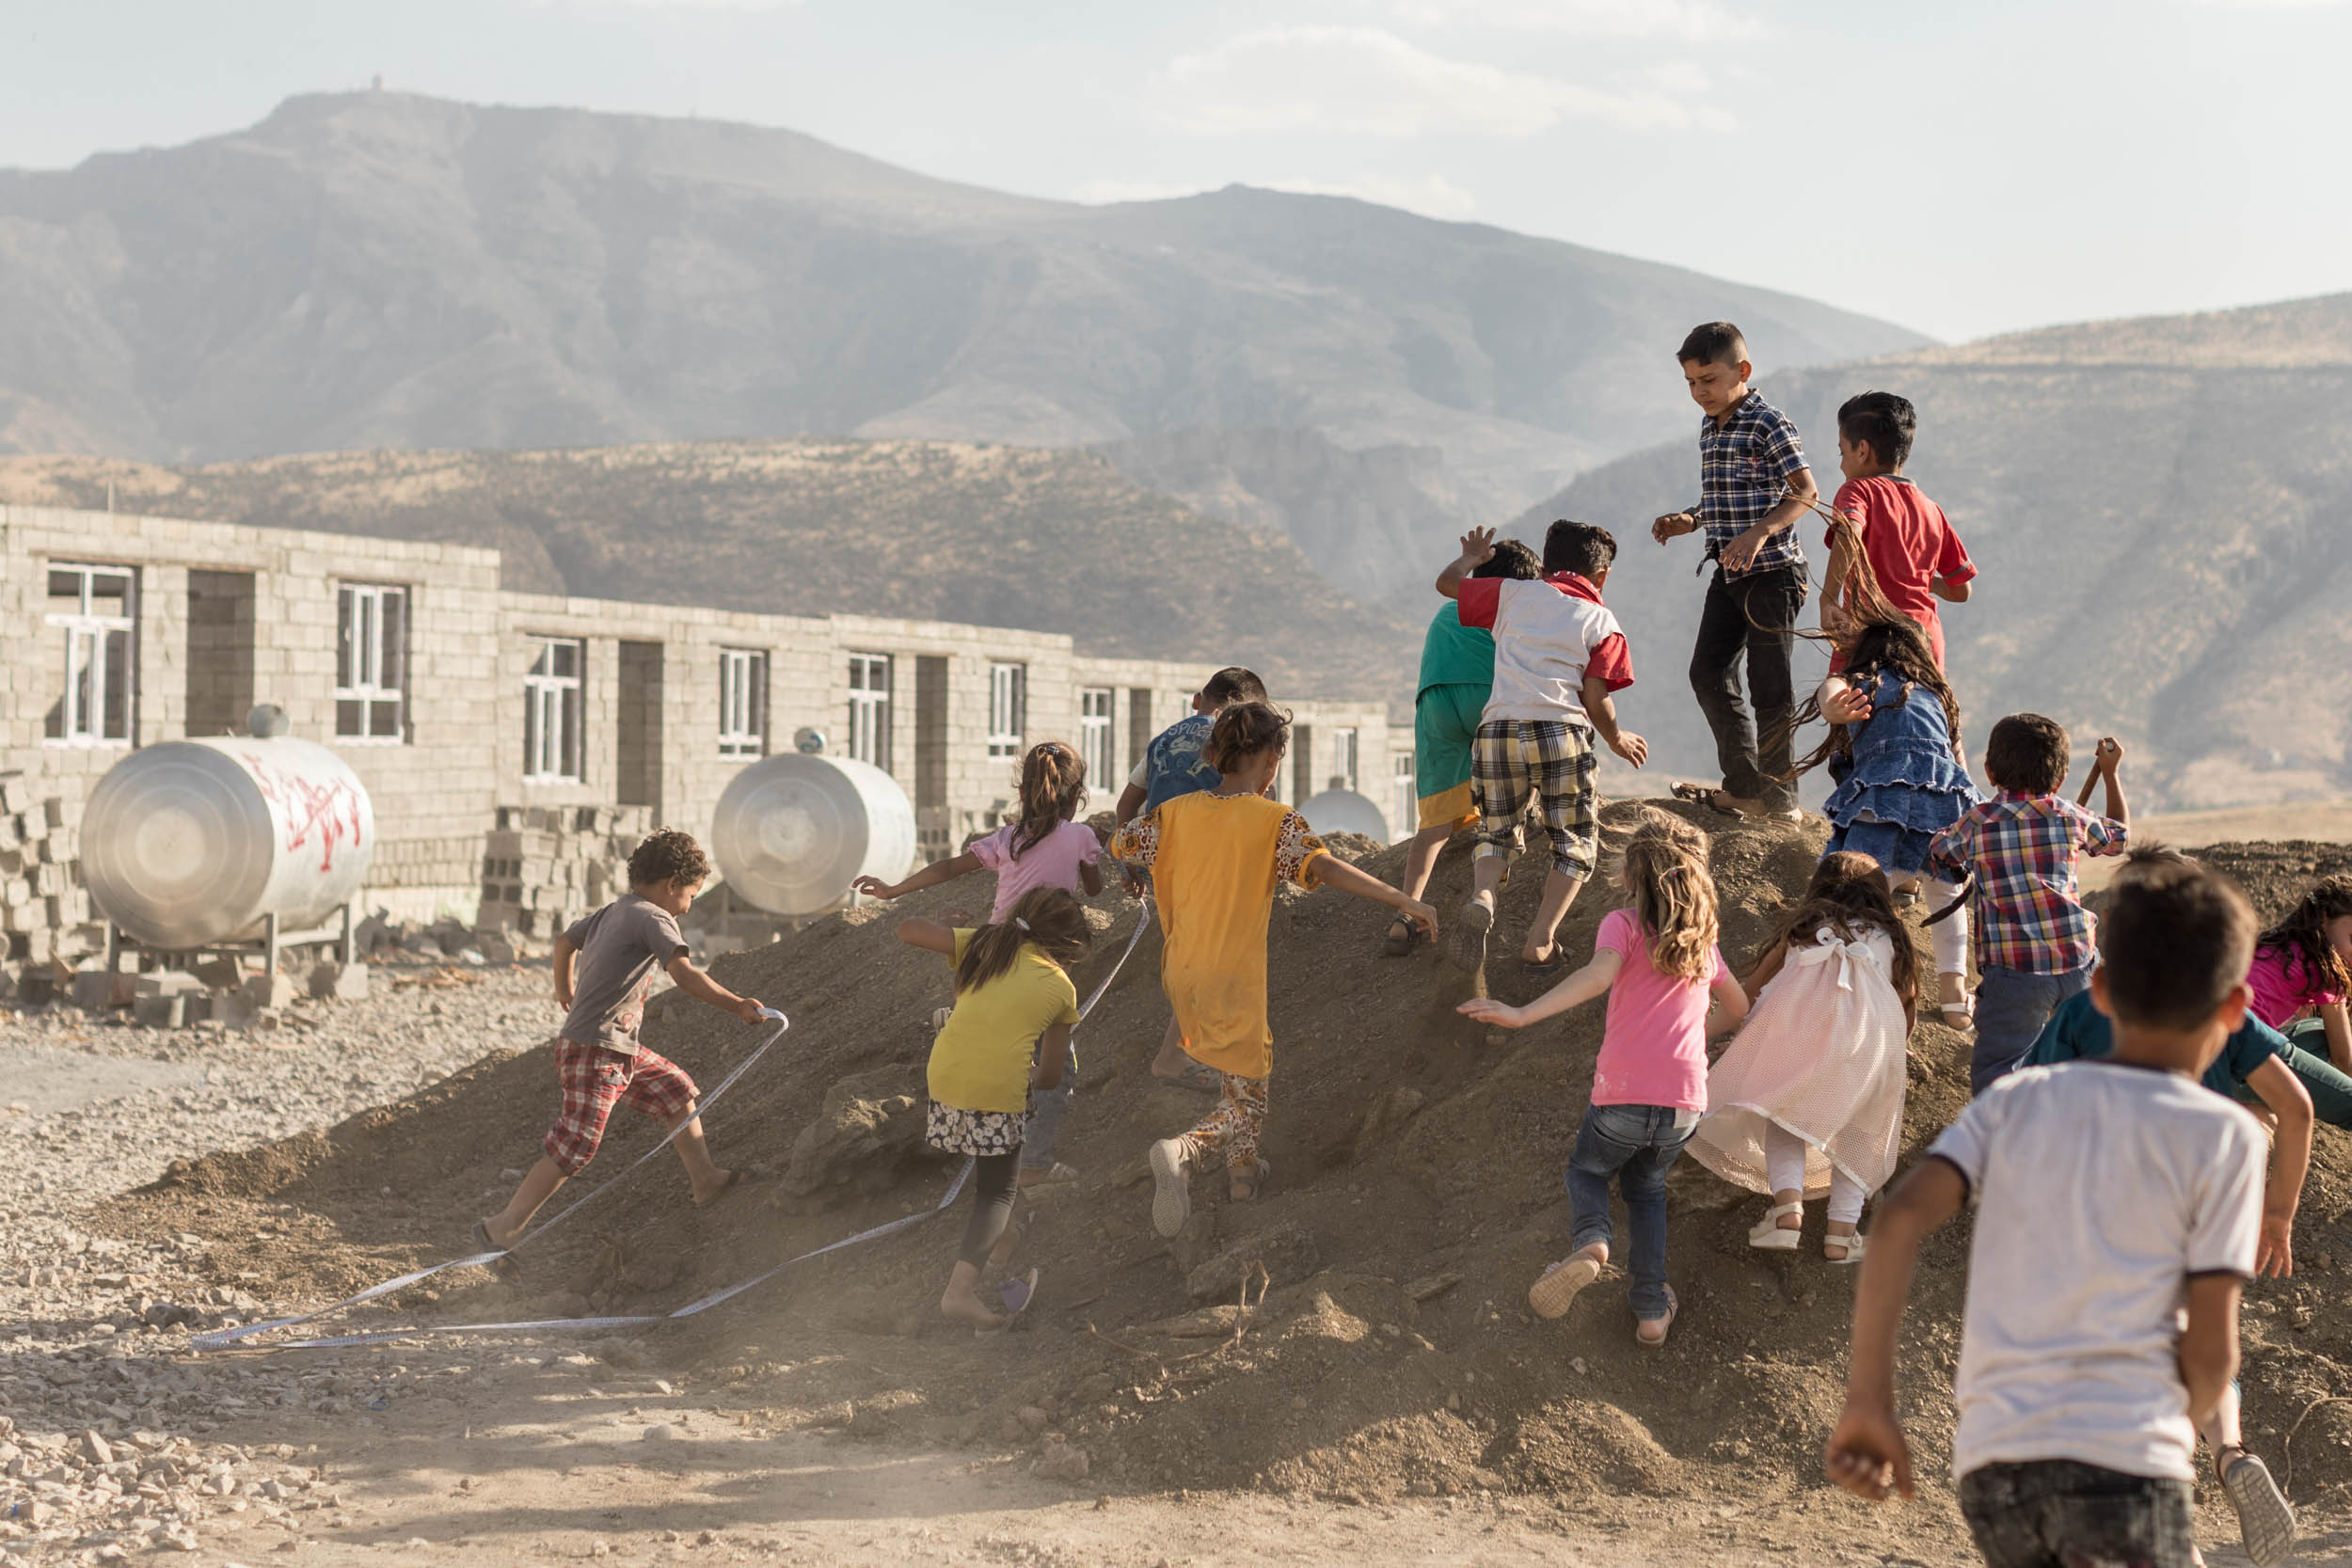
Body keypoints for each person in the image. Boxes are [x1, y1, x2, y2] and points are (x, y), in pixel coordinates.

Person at [1826, 851, 2283, 1568]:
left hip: (1999, 1468)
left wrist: (1869, 1401)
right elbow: (2213, 1347)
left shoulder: (2012, 1101)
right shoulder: (2224, 1134)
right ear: (2235, 1009)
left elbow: (1898, 1220)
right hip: (2130, 1460)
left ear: (2097, 989)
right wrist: (2174, 1430)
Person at [1111, 702, 1438, 1236]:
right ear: (1270, 762)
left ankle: (1243, 1177)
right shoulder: (1274, 822)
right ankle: (1185, 1150)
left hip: (1181, 971)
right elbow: (1325, 868)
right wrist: (1403, 898)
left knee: (1237, 1074)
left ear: (1214, 756)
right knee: (1250, 1094)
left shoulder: (1174, 814)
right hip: (1232, 975)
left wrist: (1136, 858)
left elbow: (1120, 841)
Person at [1456, 812, 1747, 1346]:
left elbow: (1597, 976)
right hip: (1685, 1103)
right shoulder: (1703, 942)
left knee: (1587, 1171)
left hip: (1622, 1097)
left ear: (1633, 875)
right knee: (1648, 1189)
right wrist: (1697, 1041)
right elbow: (1739, 1004)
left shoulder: (1625, 925)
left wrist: (1521, 1014)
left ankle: (1591, 1244)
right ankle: (1651, 1310)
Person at [474, 830, 766, 1269]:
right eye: (690, 895)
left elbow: (562, 943)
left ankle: (705, 1180)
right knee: (577, 1144)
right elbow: (684, 976)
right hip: (597, 1051)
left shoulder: (615, 910)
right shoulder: (653, 917)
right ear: (671, 885)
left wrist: (564, 988)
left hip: (611, 1047)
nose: (688, 906)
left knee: (675, 1090)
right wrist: (737, 1005)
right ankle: (502, 1228)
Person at [854, 740, 1104, 1191]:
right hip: (1040, 958)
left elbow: (950, 868)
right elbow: (1095, 887)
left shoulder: (1009, 838)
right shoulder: (1081, 837)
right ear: (1076, 795)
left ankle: (959, 1021)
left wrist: (892, 891)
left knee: (997, 1023)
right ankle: (1035, 1166)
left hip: (988, 950)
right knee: (1055, 1073)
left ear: (1024, 791)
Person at [1434, 519, 1646, 974]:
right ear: (1602, 577)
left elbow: (1446, 584)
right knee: (1574, 842)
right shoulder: (1602, 620)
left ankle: (1484, 896)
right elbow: (1595, 696)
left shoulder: (1512, 593)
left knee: (1496, 830)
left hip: (1497, 730)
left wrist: (1472, 560)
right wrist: (1617, 739)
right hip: (1560, 732)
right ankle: (1540, 940)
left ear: (1546, 564)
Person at [1686, 851, 1915, 1265]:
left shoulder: (1805, 928)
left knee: (1785, 1112)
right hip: (1867, 1043)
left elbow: (1754, 990)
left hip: (1798, 1038)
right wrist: (1896, 1050)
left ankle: (1788, 1210)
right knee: (1859, 1131)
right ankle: (1841, 1235)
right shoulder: (1891, 936)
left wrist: (1745, 1041)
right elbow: (1905, 1003)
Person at [889, 886, 1090, 1331]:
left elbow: (907, 929)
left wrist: (960, 929)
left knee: (997, 1170)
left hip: (943, 1078)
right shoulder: (1061, 987)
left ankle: (1001, 1246)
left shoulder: (986, 945)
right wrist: (1028, 1069)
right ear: (1069, 946)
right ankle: (959, 1293)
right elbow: (1053, 1077)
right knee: (995, 1191)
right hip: (994, 1090)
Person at [1651, 321, 1819, 823]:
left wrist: (1761, 532)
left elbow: (1805, 491)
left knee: (1770, 686)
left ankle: (1781, 800)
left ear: (1742, 371)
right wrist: (1691, 519)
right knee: (1707, 672)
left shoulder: (1769, 422)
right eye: (1691, 383)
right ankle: (1745, 787)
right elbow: (1726, 494)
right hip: (1728, 571)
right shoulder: (1711, 425)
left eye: (1709, 379)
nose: (1700, 392)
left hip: (1773, 573)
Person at [1791, 612, 1979, 1026]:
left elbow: (1830, 692)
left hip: (1884, 799)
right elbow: (1957, 761)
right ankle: (1952, 997)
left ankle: (1852, 984)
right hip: (1944, 801)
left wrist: (1834, 707)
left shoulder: (1860, 683)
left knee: (1856, 895)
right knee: (1947, 895)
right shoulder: (1939, 694)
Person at [1925, 715, 2129, 1093]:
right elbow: (2118, 837)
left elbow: (1939, 853)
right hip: (2077, 961)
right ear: (2061, 777)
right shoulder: (2070, 815)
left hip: (2014, 973)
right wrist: (2110, 773)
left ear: (1989, 770)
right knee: (2101, 1060)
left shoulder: (1978, 822)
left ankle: (2004, 1141)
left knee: (1999, 1072)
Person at [1385, 535, 1544, 958]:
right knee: (1519, 764)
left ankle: (1405, 912)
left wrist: (1467, 557)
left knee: (1434, 822)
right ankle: (1518, 832)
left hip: (1435, 701)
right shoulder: (1509, 607)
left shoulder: (1444, 610)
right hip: (1486, 695)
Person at [1113, 667, 1271, 1090]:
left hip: (1164, 858)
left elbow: (1126, 806)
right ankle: (1175, 1057)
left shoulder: (1162, 740)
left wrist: (1131, 865)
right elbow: (1253, 803)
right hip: (1210, 861)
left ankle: (1184, 1050)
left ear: (1199, 699)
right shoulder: (1235, 741)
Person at [1819, 391, 1976, 670]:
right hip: (1925, 643)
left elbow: (1851, 531)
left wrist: (1828, 598)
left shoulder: (1858, 491)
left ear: (1863, 450)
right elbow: (1960, 589)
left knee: (1846, 707)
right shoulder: (1931, 509)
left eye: (1842, 452)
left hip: (1873, 639)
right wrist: (1924, 582)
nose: (1842, 464)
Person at [2248, 877, 2352, 1073]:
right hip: (2243, 1056)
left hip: (2211, 1049)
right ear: (2324, 918)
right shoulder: (2325, 967)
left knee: (2315, 1030)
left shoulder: (2278, 946)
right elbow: (2345, 1061)